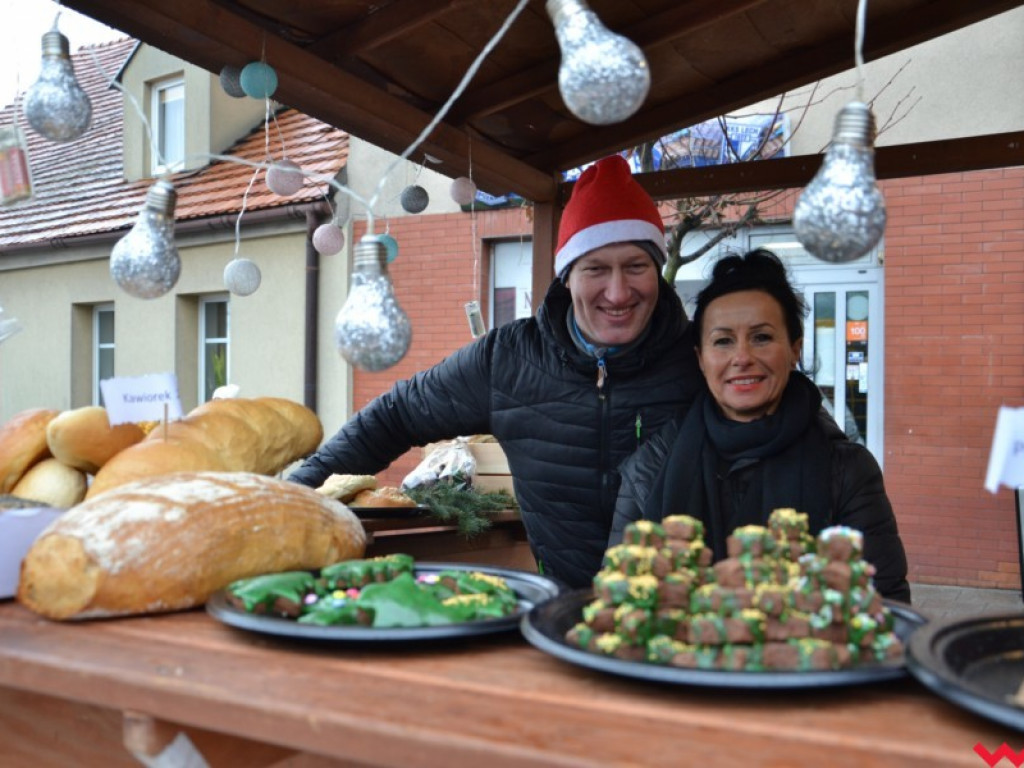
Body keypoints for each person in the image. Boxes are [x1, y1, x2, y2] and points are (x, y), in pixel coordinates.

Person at [289, 155, 704, 589]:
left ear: (657, 271)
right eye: (596, 269)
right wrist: (293, 496)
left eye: (635, 266)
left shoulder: (701, 359)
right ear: (567, 277)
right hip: (562, 613)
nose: (618, 292)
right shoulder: (507, 360)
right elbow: (394, 415)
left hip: (682, 613)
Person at [611, 248, 911, 601]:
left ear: (794, 348)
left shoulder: (846, 470)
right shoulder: (653, 464)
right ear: (701, 358)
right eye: (723, 341)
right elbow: (619, 596)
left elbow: (884, 605)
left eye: (762, 337)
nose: (742, 358)